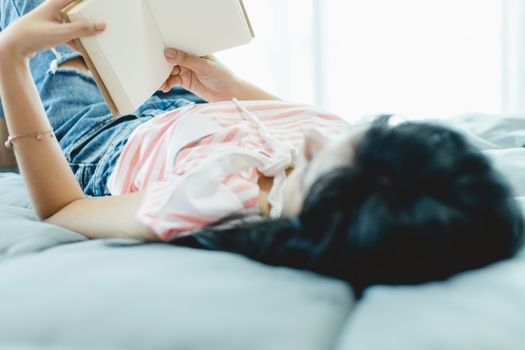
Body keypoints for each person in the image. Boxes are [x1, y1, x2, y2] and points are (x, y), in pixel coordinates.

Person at [0, 0, 523, 296]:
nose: (323, 139)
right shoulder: (364, 164)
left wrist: (10, 63)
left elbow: (67, 209)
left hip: (108, 140)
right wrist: (225, 87)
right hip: (183, 97)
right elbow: (298, 124)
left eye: (309, 161)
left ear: (313, 216)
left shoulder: (210, 202)